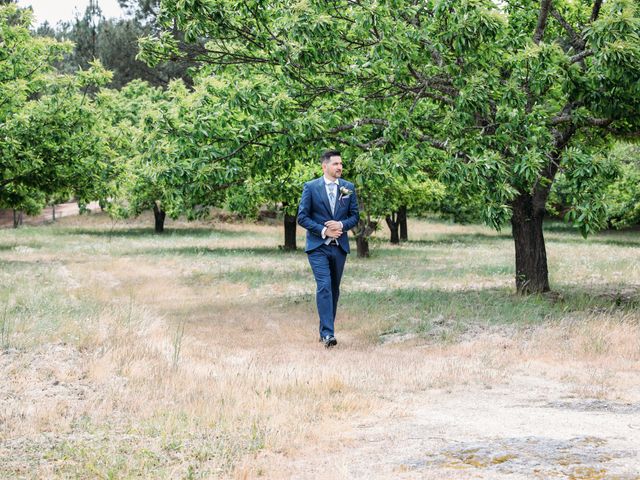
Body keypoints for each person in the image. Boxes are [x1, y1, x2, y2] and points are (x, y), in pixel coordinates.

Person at [297, 150, 360, 348]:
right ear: (325, 167)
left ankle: (326, 328)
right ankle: (328, 334)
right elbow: (302, 217)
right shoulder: (311, 187)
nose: (340, 167)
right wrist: (324, 230)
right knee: (324, 285)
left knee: (334, 289)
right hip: (318, 246)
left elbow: (354, 216)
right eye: (335, 164)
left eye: (341, 164)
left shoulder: (348, 188)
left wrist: (340, 226)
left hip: (339, 247)